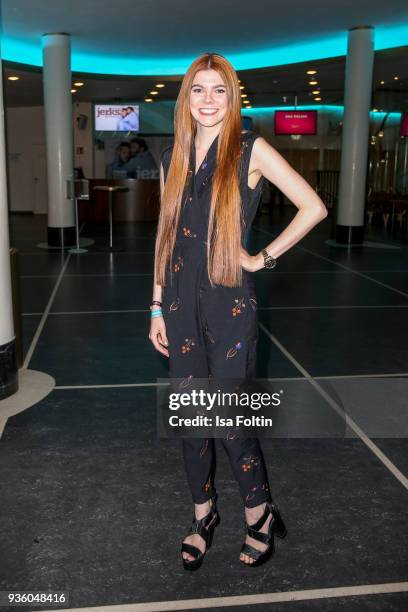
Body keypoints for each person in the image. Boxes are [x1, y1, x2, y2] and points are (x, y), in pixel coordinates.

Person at [149, 53, 328, 571]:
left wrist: (262, 257)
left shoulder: (250, 149)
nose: (208, 100)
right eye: (198, 90)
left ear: (233, 97)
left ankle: (259, 515)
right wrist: (156, 305)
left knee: (229, 419)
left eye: (218, 90)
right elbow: (164, 236)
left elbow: (312, 206)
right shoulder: (173, 154)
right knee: (191, 418)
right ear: (187, 98)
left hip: (229, 303)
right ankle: (203, 515)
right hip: (179, 303)